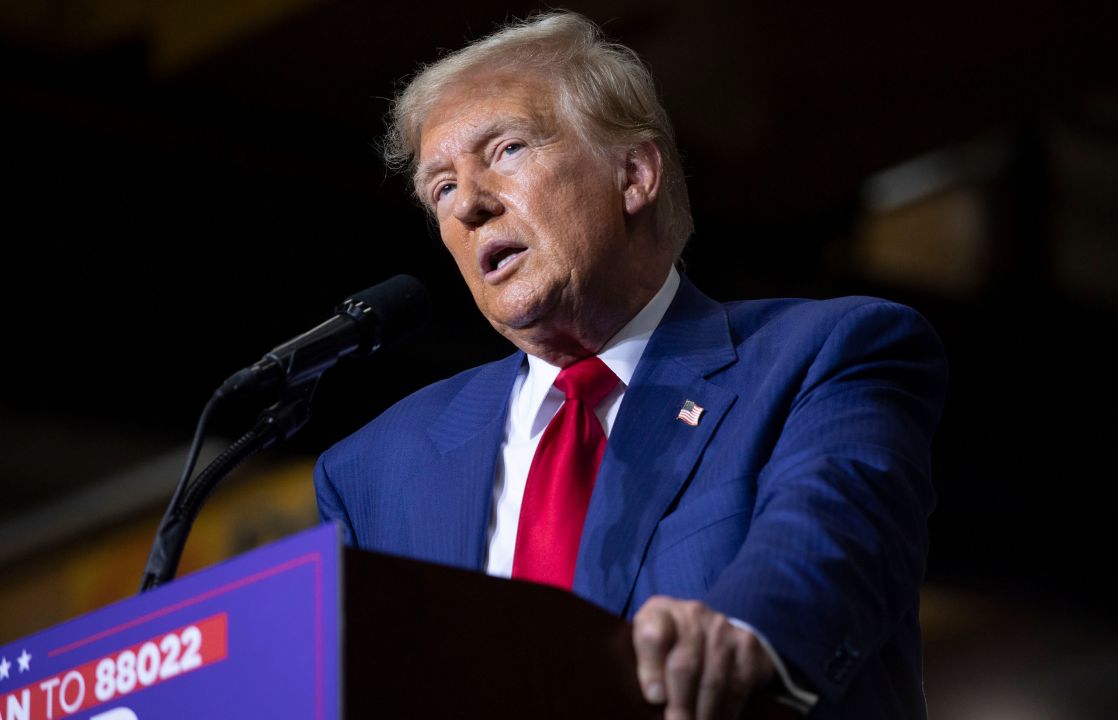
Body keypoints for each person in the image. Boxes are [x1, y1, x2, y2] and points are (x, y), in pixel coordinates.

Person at [314, 11, 947, 720]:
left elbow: (830, 542)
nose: (470, 205)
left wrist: (735, 638)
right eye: (441, 189)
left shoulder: (820, 355)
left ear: (634, 174)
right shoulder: (373, 470)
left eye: (508, 149)